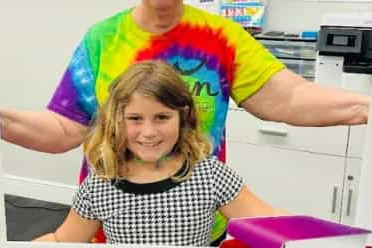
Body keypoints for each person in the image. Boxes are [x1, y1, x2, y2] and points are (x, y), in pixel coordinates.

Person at [0, 0, 369, 244]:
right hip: (113, 218)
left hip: (197, 217)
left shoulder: (220, 37)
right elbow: (65, 128)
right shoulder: (103, 39)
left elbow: (287, 99)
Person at [34, 60, 288, 245]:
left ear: (183, 115)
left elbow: (272, 223)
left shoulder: (210, 176)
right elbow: (62, 240)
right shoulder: (100, 184)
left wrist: (320, 237)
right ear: (116, 120)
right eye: (134, 118)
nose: (148, 132)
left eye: (162, 117)